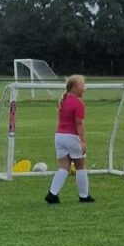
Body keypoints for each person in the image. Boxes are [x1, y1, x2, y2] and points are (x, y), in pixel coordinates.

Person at [45, 74, 94, 204]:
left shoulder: (63, 100)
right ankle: (84, 196)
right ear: (73, 87)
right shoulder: (78, 103)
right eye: (82, 85)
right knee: (80, 166)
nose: (84, 88)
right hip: (71, 137)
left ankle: (52, 194)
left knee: (63, 167)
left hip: (59, 136)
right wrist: (83, 141)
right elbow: (79, 123)